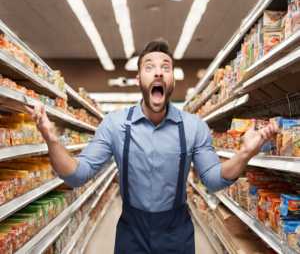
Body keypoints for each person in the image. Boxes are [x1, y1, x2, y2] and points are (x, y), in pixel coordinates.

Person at [24, 38, 278, 254]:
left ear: (172, 81)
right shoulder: (114, 125)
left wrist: (245, 153)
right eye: (150, 67)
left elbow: (213, 180)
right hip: (130, 235)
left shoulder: (194, 126)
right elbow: (78, 175)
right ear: (138, 79)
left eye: (165, 67)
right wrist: (52, 139)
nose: (158, 72)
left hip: (176, 234)